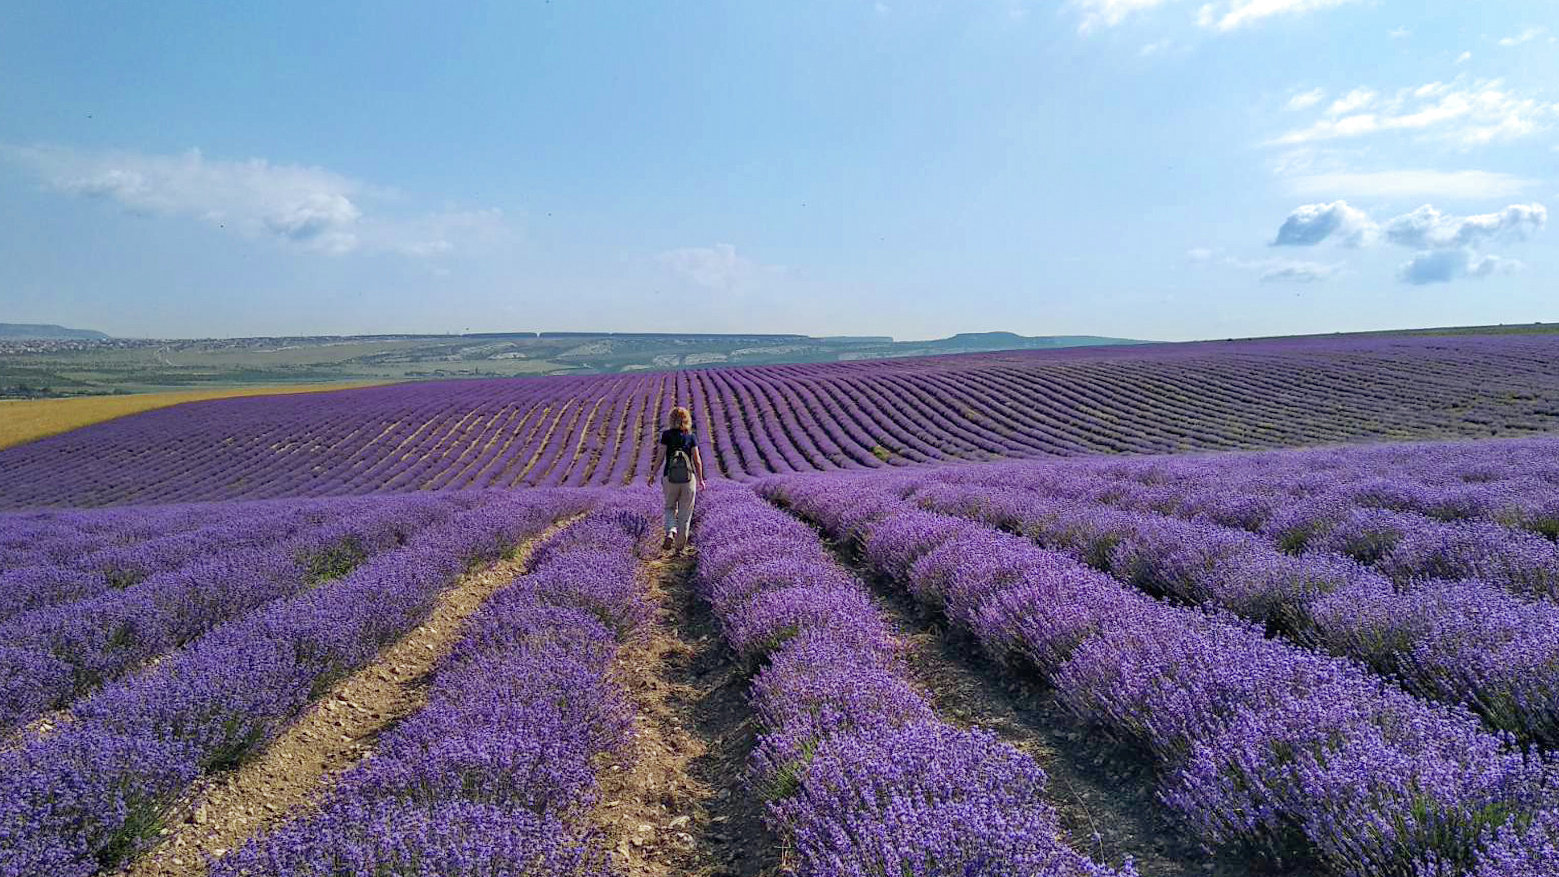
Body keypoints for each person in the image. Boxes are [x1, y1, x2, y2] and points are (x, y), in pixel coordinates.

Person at [646, 405, 706, 552]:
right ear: (687, 420)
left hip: (670, 477)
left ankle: (670, 531)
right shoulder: (691, 437)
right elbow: (697, 460)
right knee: (685, 513)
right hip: (688, 478)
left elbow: (660, 457)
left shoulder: (666, 435)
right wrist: (701, 479)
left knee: (670, 507)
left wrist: (653, 474)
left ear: (671, 419)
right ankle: (679, 548)